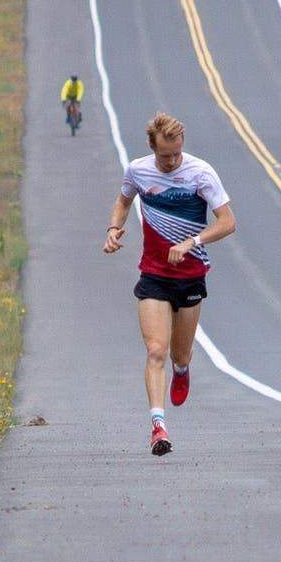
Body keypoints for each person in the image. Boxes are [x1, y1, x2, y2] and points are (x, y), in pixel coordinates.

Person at [104, 112, 236, 456]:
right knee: (155, 350)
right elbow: (123, 199)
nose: (173, 161)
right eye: (165, 156)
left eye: (177, 153)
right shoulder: (138, 170)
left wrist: (192, 242)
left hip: (191, 276)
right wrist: (113, 228)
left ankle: (182, 369)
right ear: (153, 148)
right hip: (154, 276)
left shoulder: (200, 173)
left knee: (179, 353)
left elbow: (228, 222)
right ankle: (158, 428)